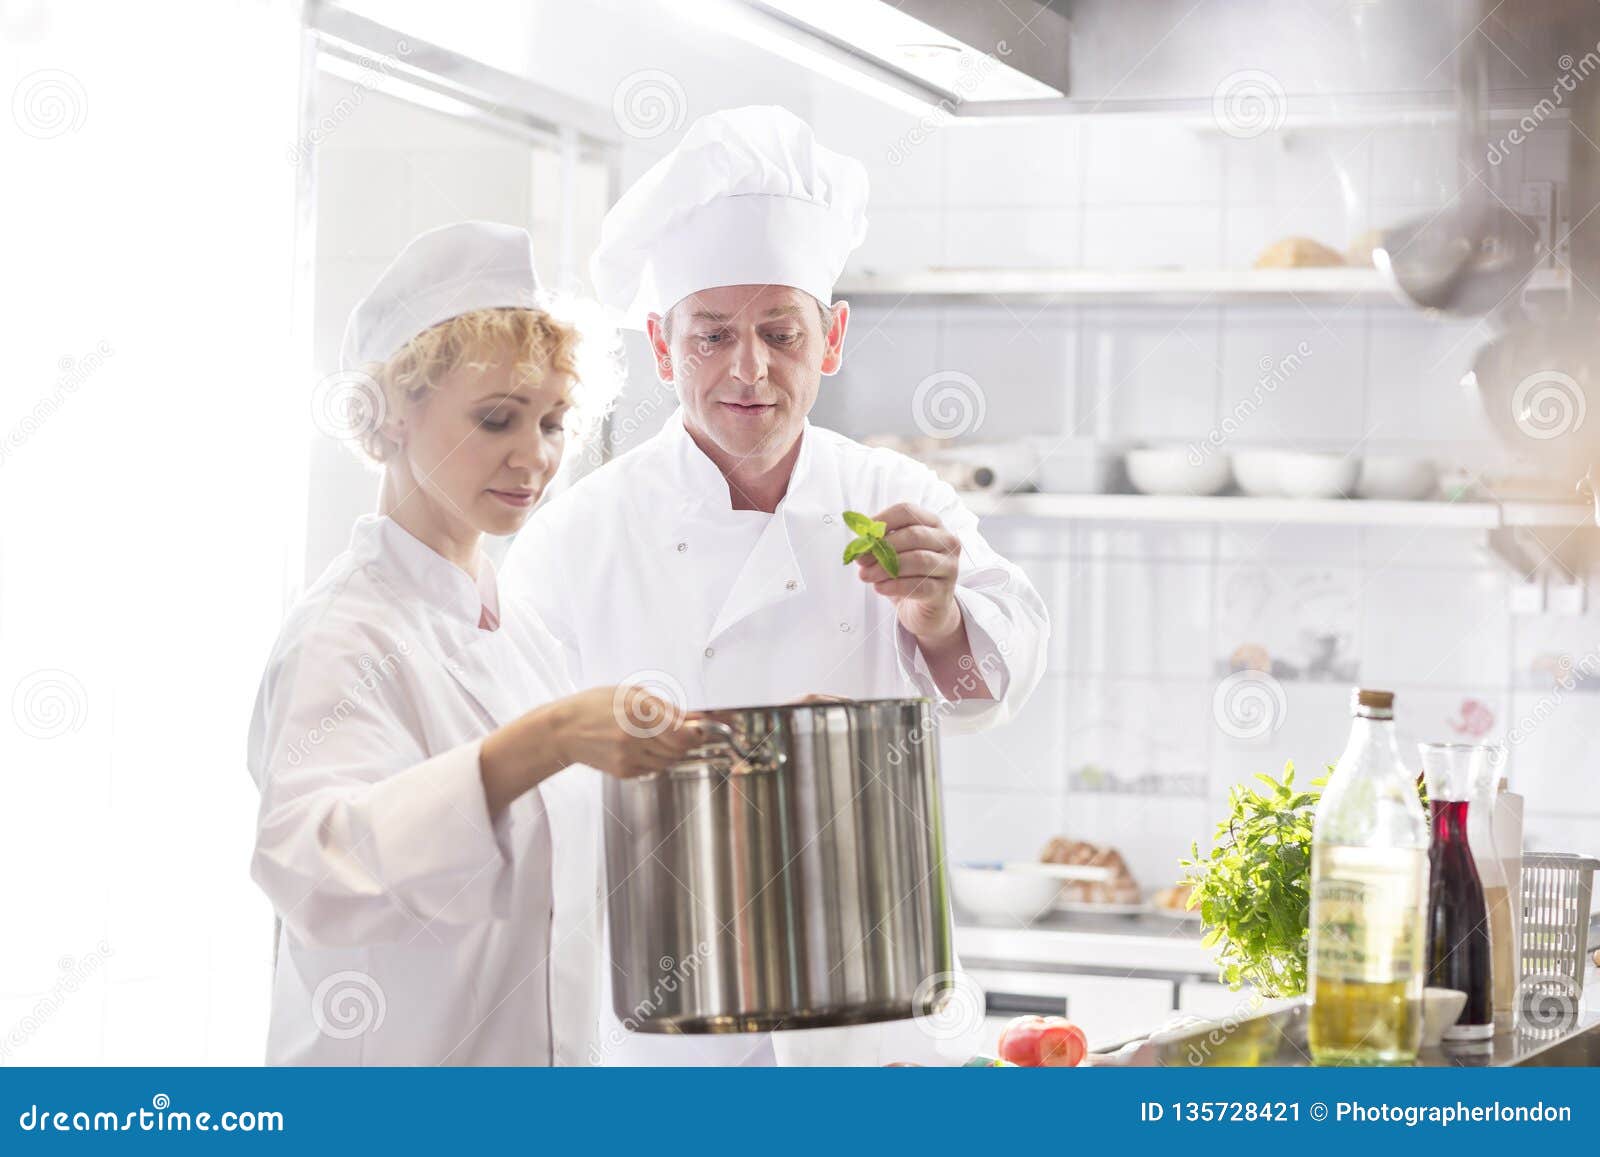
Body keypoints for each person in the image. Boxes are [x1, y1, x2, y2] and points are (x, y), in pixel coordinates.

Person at [502, 107, 1050, 1065]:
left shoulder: (896, 498)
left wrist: (938, 617)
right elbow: (519, 792)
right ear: (663, 347)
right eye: (712, 335)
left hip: (872, 1016)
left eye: (780, 332)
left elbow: (990, 690)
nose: (749, 368)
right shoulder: (573, 539)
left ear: (831, 338)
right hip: (666, 1027)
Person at [247, 221, 703, 1065]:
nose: (535, 456)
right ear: (386, 420)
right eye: (497, 419)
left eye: (554, 421)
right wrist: (542, 739)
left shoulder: (517, 629)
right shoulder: (344, 635)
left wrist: (732, 749)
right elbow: (315, 870)